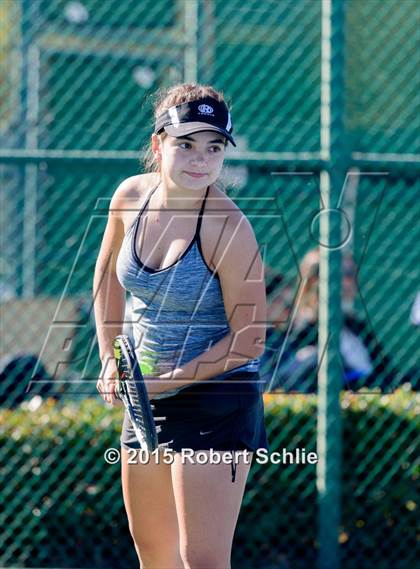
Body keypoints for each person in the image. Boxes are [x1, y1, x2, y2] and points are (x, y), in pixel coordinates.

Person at [93, 83, 268, 568]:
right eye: (186, 144)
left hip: (217, 400)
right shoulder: (129, 197)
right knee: (155, 555)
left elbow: (250, 338)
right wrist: (110, 357)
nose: (200, 160)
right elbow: (107, 277)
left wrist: (166, 383)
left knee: (202, 560)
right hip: (147, 395)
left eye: (214, 148)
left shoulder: (229, 229)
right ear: (158, 145)